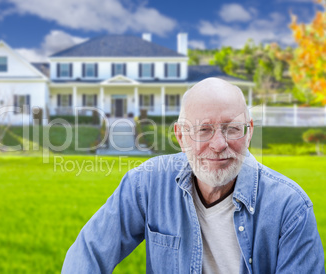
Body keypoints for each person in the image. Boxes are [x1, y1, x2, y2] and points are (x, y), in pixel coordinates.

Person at [62, 77, 325, 273]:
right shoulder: (146, 184)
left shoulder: (291, 208)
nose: (219, 144)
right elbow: (88, 253)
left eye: (232, 128)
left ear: (249, 131)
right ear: (180, 135)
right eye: (204, 130)